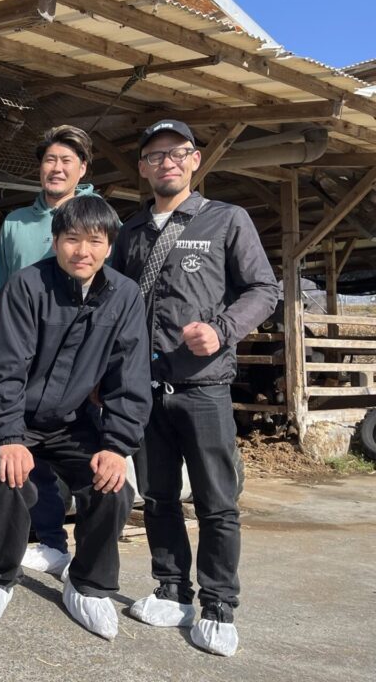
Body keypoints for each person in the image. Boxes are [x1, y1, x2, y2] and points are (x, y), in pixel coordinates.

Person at [115, 120, 279, 656]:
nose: (166, 162)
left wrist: (223, 329)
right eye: (154, 155)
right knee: (158, 495)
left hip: (204, 386)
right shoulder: (131, 232)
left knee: (216, 500)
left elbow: (264, 289)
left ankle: (219, 603)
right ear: (143, 168)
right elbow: (114, 305)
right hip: (145, 386)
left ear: (195, 160)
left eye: (177, 152)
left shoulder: (226, 219)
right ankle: (171, 589)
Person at [0, 196, 152, 640]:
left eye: (95, 241)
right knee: (10, 480)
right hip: (9, 413)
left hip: (70, 419)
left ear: (109, 246)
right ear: (55, 241)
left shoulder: (125, 296)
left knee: (112, 487)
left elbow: (130, 376)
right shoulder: (28, 286)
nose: (82, 251)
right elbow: (6, 368)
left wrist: (117, 445)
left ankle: (87, 584)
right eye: (72, 239)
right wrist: (9, 436)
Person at [0, 125, 98, 575]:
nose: (57, 168)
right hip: (21, 354)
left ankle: (86, 556)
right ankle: (49, 541)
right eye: (50, 160)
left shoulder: (98, 217)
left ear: (82, 169)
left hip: (77, 360)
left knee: (83, 455)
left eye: (67, 161)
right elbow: (0, 288)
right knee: (25, 452)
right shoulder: (16, 222)